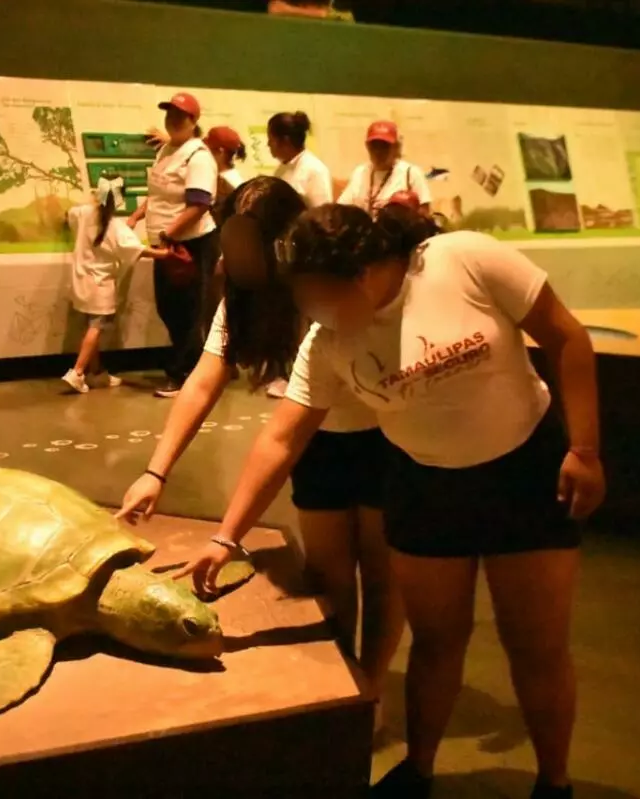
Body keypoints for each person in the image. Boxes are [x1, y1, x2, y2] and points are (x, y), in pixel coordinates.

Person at [177, 202, 605, 799]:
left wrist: (584, 449)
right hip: (425, 486)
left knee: (535, 646)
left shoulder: (462, 260)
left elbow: (565, 336)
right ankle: (418, 771)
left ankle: (553, 782)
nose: (312, 312)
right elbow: (282, 438)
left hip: (523, 473)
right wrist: (227, 536)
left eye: (318, 295)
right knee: (435, 643)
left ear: (361, 275)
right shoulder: (328, 342)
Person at [117, 176, 403, 727]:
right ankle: (345, 691)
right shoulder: (243, 298)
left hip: (383, 438)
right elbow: (205, 380)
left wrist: (227, 536)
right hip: (318, 443)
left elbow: (280, 434)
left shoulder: (322, 288)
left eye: (247, 244)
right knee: (330, 576)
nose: (232, 256)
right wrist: (156, 471)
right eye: (229, 240)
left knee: (383, 576)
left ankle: (371, 685)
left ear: (283, 243)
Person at [128, 92, 220, 399]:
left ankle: (183, 373)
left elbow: (199, 204)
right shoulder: (167, 150)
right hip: (167, 243)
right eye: (170, 115)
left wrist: (170, 233)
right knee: (167, 306)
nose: (173, 121)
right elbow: (159, 194)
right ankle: (193, 366)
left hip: (191, 244)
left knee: (187, 310)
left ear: (194, 121)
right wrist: (137, 216)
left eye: (180, 116)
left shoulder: (199, 157)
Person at [62, 175, 169, 394]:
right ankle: (77, 372)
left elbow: (69, 215)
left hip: (80, 280)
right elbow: (137, 249)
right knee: (96, 327)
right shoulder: (115, 226)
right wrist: (165, 254)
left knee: (89, 326)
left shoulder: (83, 213)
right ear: (120, 199)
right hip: (99, 284)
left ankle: (96, 373)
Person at [264, 111, 332, 398]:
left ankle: (302, 374)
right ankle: (284, 371)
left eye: (271, 139)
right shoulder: (282, 170)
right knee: (284, 315)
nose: (268, 145)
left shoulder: (313, 170)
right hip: (283, 252)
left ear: (285, 140)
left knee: (304, 316)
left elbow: (322, 214)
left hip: (304, 253)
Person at [338, 120, 432, 217]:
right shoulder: (360, 172)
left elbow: (424, 214)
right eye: (374, 146)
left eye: (384, 146)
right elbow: (341, 208)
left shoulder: (411, 173)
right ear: (367, 147)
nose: (378, 152)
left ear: (396, 147)